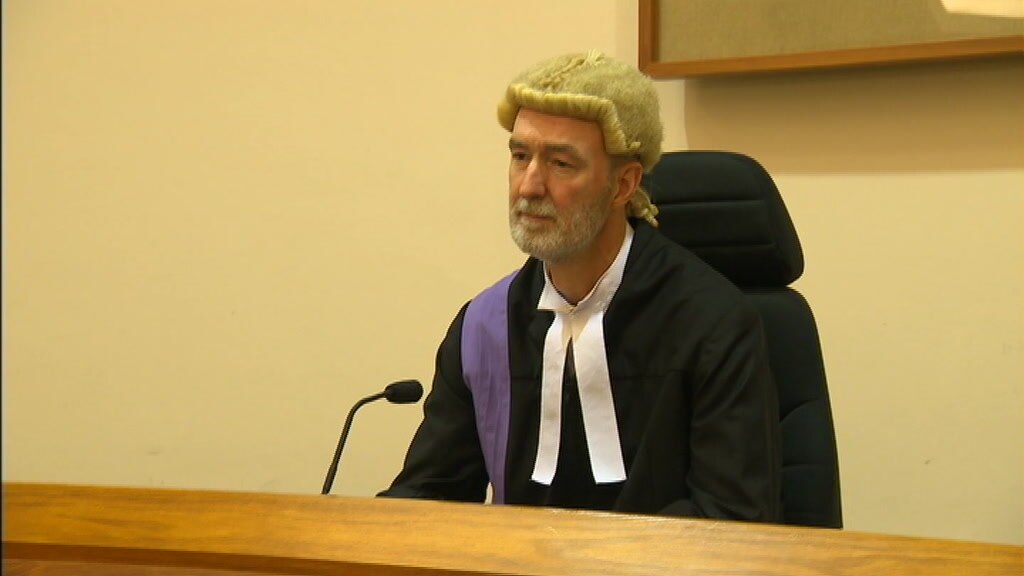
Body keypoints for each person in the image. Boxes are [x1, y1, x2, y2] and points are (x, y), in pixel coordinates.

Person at [380, 51, 781, 522]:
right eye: (520, 156)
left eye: (561, 163)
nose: (529, 186)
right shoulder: (484, 328)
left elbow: (731, 519)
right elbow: (429, 496)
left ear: (623, 185)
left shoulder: (713, 325)